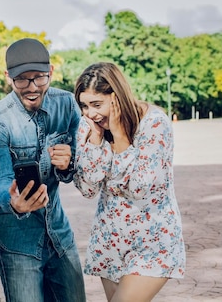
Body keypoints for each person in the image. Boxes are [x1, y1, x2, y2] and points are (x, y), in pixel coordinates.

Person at [0, 38, 86, 302]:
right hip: (16, 237)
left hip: (57, 230)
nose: (32, 87)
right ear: (8, 77)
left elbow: (79, 163)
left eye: (39, 78)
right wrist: (14, 202)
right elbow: (0, 180)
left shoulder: (67, 104)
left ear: (50, 72)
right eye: (22, 80)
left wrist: (68, 162)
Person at [73, 62, 186, 302]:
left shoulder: (154, 123)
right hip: (110, 240)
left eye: (96, 104)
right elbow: (88, 188)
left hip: (153, 241)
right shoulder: (90, 125)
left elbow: (139, 187)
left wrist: (121, 138)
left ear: (116, 97)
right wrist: (96, 140)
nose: (90, 113)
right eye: (84, 105)